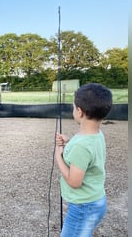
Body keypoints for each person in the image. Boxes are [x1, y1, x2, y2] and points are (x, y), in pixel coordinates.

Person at [55, 83, 113, 236]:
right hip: (96, 202)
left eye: (74, 107)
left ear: (79, 111)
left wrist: (58, 157)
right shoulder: (96, 134)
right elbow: (86, 153)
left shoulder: (81, 145)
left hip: (83, 207)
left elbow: (74, 182)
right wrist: (68, 143)